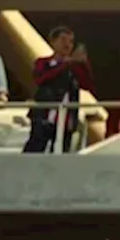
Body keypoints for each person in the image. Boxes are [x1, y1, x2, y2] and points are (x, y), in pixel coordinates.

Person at [28, 25, 95, 154]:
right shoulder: (42, 62)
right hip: (44, 116)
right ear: (53, 42)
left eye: (71, 41)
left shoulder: (74, 67)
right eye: (63, 40)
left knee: (62, 154)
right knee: (34, 150)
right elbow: (40, 79)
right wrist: (66, 64)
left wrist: (84, 63)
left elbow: (88, 84)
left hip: (66, 119)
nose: (68, 44)